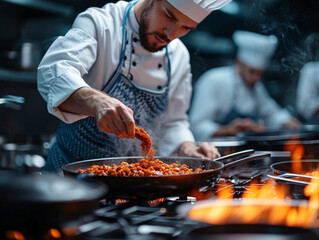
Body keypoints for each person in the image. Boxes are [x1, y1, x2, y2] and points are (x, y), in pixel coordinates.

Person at [37, 0, 231, 171]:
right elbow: (53, 71)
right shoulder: (101, 24)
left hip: (133, 185)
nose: (171, 34)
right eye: (168, 15)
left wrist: (190, 150)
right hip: (69, 177)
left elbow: (173, 122)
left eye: (186, 28)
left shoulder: (178, 55)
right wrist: (97, 102)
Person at [189, 30, 300, 139]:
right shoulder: (214, 81)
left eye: (261, 74)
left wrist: (286, 121)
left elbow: (271, 114)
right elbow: (197, 126)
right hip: (213, 151)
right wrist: (228, 129)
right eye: (252, 72)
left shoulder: (256, 88)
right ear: (239, 62)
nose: (256, 78)